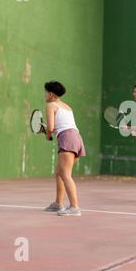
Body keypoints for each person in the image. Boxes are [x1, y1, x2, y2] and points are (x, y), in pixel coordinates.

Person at [43, 81, 86, 216]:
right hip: (76, 138)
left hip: (67, 138)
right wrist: (50, 131)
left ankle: (74, 207)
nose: (44, 95)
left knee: (66, 175)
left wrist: (47, 135)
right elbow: (60, 126)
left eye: (45, 92)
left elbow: (50, 128)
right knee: (60, 172)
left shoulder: (51, 105)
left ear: (50, 94)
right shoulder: (67, 106)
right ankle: (58, 204)